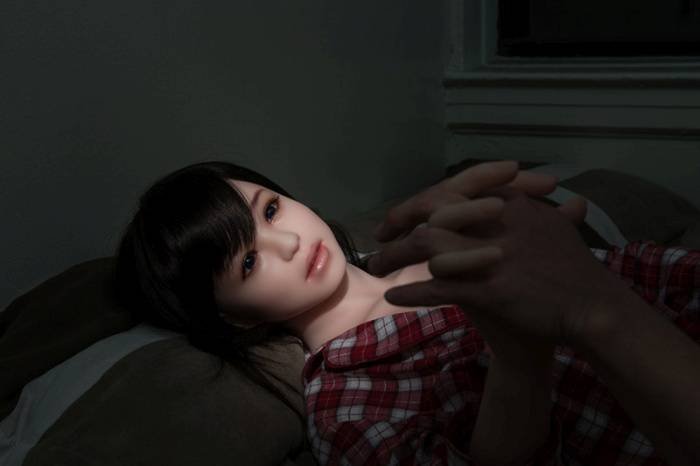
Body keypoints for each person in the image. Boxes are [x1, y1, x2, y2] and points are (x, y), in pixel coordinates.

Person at [114, 159, 699, 465]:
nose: (288, 243)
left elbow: (645, 273)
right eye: (247, 262)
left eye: (270, 211)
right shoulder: (343, 396)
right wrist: (519, 358)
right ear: (235, 320)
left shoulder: (439, 241)